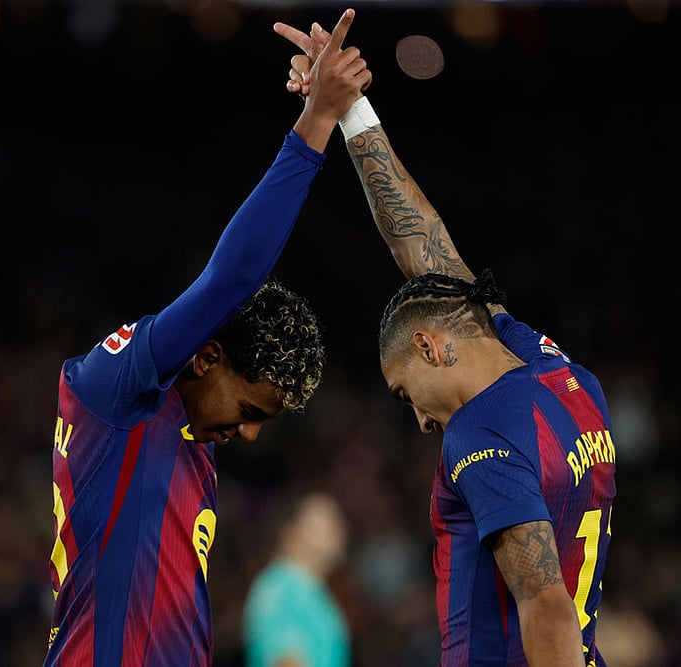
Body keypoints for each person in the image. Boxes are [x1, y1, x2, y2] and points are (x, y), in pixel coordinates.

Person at [274, 18, 616, 667]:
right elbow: (423, 245)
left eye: (406, 393)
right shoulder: (557, 370)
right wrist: (350, 111)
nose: (423, 419)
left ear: (432, 347)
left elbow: (543, 598)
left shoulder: (481, 431)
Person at [42, 10, 371, 666]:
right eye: (249, 409)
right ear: (208, 354)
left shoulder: (190, 440)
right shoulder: (119, 392)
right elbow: (234, 276)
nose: (249, 433)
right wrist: (321, 121)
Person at [242, 491, 351, 667]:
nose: (341, 529)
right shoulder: (281, 589)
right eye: (327, 522)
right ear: (291, 533)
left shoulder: (310, 591)